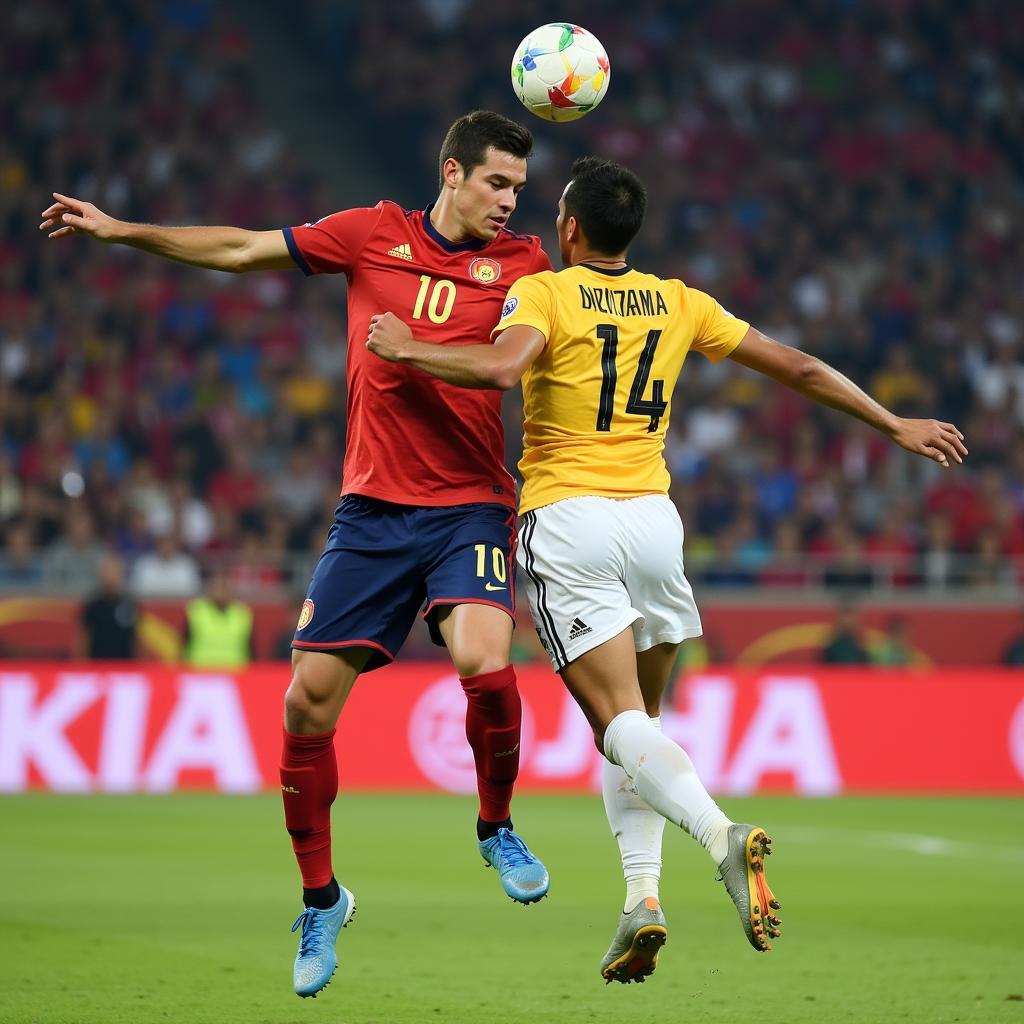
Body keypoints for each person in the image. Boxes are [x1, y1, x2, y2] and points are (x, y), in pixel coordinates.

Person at [366, 156, 968, 983]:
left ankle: (719, 835)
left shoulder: (545, 289)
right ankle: (641, 899)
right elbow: (795, 364)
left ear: (570, 229)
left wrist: (410, 347)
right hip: (654, 524)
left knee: (616, 723)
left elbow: (502, 369)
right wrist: (891, 421)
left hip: (569, 519)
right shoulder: (678, 300)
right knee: (636, 729)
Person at [41, 109, 551, 998]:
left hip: (468, 505)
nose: (510, 201)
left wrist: (423, 351)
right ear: (452, 172)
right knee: (307, 708)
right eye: (497, 182)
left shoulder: (525, 268)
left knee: (485, 661)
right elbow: (239, 249)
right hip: (370, 514)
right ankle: (322, 899)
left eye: (518, 185)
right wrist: (122, 230)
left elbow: (522, 358)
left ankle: (495, 826)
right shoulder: (369, 235)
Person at [182, 569, 253, 669]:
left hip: (235, 674)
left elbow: (251, 649)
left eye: (225, 587)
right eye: (217, 587)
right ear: (210, 589)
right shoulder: (196, 611)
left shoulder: (242, 614)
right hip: (200, 673)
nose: (221, 591)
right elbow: (185, 643)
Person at [78, 554, 138, 660]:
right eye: (107, 572)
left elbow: (135, 638)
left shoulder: (130, 604)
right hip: (97, 664)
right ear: (101, 575)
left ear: (121, 575)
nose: (111, 577)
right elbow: (84, 637)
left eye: (115, 572)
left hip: (125, 666)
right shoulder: (93, 604)